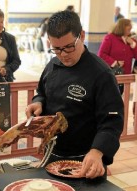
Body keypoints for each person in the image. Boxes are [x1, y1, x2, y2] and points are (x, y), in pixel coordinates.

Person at [25, 11, 124, 179]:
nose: (63, 54)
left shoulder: (101, 73)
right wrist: (38, 102)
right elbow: (41, 91)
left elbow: (112, 120)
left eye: (69, 47)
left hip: (85, 159)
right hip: (53, 153)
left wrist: (97, 151)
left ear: (82, 36)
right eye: (56, 49)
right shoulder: (53, 64)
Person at [98, 18, 137, 94]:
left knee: (119, 98)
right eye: (128, 25)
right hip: (111, 75)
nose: (131, 27)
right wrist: (115, 62)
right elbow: (101, 54)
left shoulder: (132, 41)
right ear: (122, 26)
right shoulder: (110, 38)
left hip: (125, 77)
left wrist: (133, 44)